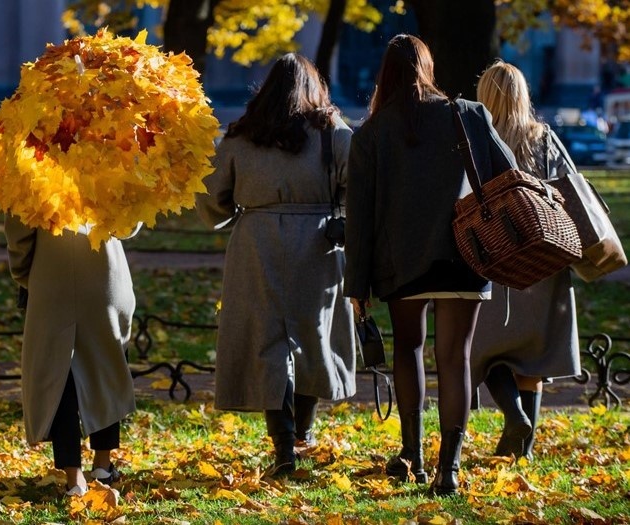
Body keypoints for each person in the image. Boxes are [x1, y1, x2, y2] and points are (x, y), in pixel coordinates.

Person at [344, 34, 517, 496]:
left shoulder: (371, 134)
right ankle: (450, 469)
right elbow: (510, 170)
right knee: (455, 358)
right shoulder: (470, 115)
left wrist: (356, 287)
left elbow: (358, 219)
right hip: (467, 253)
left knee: (408, 350)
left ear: (385, 74)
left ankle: (412, 456)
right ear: (428, 67)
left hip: (401, 263)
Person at [196, 52, 356, 476]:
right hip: (317, 244)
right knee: (312, 338)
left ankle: (283, 444)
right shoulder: (331, 132)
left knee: (267, 342)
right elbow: (361, 188)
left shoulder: (243, 137)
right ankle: (301, 435)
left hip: (256, 244)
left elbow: (212, 201)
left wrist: (245, 209)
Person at [470, 61, 581, 460]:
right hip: (542, 258)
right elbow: (570, 191)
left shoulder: (473, 139)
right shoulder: (543, 138)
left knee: (485, 353)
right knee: (533, 356)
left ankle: (514, 416)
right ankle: (524, 448)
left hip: (491, 256)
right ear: (523, 96)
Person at [3, 217, 140, 496]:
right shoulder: (110, 168)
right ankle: (103, 464)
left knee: (58, 372)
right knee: (105, 364)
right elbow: (128, 221)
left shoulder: (30, 169)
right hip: (106, 270)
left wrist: (25, 273)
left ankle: (74, 477)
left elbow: (19, 230)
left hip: (52, 269)